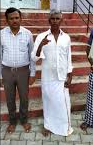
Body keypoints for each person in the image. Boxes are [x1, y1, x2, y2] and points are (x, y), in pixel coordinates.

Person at [31, 9, 74, 137]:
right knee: (48, 101)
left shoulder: (66, 37)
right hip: (48, 77)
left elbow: (68, 57)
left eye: (57, 18)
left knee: (64, 102)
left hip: (61, 76)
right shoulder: (41, 37)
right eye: (53, 19)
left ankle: (65, 127)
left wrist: (70, 74)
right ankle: (48, 126)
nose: (55, 21)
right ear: (49, 20)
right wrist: (40, 46)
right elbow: (34, 57)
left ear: (61, 20)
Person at [0, 7, 36, 133]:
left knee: (24, 98)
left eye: (16, 18)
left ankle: (24, 120)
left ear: (20, 18)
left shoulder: (28, 34)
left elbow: (32, 55)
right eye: (11, 18)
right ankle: (12, 121)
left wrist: (32, 73)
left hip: (23, 71)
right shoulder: (2, 34)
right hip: (7, 71)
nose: (14, 20)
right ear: (7, 20)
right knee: (9, 98)